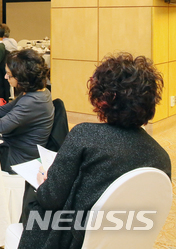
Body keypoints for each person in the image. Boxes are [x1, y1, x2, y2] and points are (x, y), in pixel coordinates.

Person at [18, 53, 171, 249]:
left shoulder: (84, 135)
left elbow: (50, 199)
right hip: (128, 238)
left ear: (102, 98)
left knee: (35, 195)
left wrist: (43, 182)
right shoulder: (161, 157)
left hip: (74, 240)